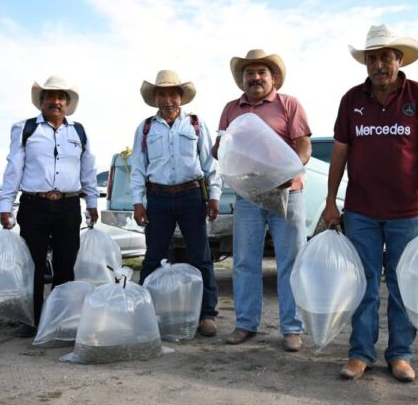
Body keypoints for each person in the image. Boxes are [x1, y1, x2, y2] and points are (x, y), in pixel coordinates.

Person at [322, 24, 418, 382]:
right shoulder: (351, 100)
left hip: (406, 211)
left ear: (399, 59)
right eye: (372, 58)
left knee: (402, 284)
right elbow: (340, 153)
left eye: (385, 57)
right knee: (362, 283)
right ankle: (360, 353)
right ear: (366, 62)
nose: (378, 64)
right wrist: (331, 200)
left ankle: (400, 355)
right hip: (360, 209)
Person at [212, 49, 312, 352]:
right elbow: (219, 148)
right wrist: (224, 147)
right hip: (249, 193)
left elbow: (304, 146)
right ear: (242, 80)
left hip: (287, 191)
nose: (255, 78)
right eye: (249, 73)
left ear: (273, 78)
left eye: (261, 73)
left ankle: (292, 328)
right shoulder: (232, 109)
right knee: (244, 261)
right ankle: (245, 324)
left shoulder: (289, 104)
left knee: (291, 261)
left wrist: (291, 170)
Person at [0, 75, 98, 338]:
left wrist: (91, 202)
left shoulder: (79, 131)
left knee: (66, 263)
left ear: (67, 104)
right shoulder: (25, 129)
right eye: (51, 97)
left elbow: (88, 169)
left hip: (68, 206)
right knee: (32, 263)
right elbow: (14, 167)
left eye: (61, 98)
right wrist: (5, 204)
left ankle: (60, 317)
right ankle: (31, 318)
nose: (56, 102)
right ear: (41, 102)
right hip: (34, 205)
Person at [130, 70, 222, 337]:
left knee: (200, 257)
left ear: (181, 97)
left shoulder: (195, 124)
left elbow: (209, 163)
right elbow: (138, 167)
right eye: (162, 94)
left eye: (173, 94)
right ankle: (143, 312)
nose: (168, 99)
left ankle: (207, 314)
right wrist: (138, 202)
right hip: (157, 198)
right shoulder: (145, 128)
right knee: (153, 257)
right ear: (155, 98)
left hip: (191, 197)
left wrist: (213, 196)